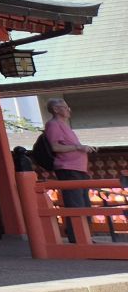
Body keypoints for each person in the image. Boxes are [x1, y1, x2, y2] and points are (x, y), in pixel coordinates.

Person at [44, 98, 98, 243]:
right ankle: (78, 238)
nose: (69, 110)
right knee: (75, 204)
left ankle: (85, 236)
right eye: (65, 107)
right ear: (56, 109)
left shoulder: (65, 125)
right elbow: (55, 147)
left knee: (84, 204)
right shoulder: (53, 125)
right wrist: (78, 147)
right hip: (68, 168)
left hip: (78, 168)